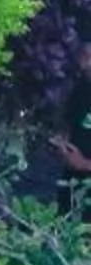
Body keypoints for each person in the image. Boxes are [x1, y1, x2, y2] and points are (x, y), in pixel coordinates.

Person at [54, 41, 91, 181]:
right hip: (71, 178)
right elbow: (69, 121)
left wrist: (84, 164)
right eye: (85, 56)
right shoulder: (81, 88)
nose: (85, 65)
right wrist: (62, 141)